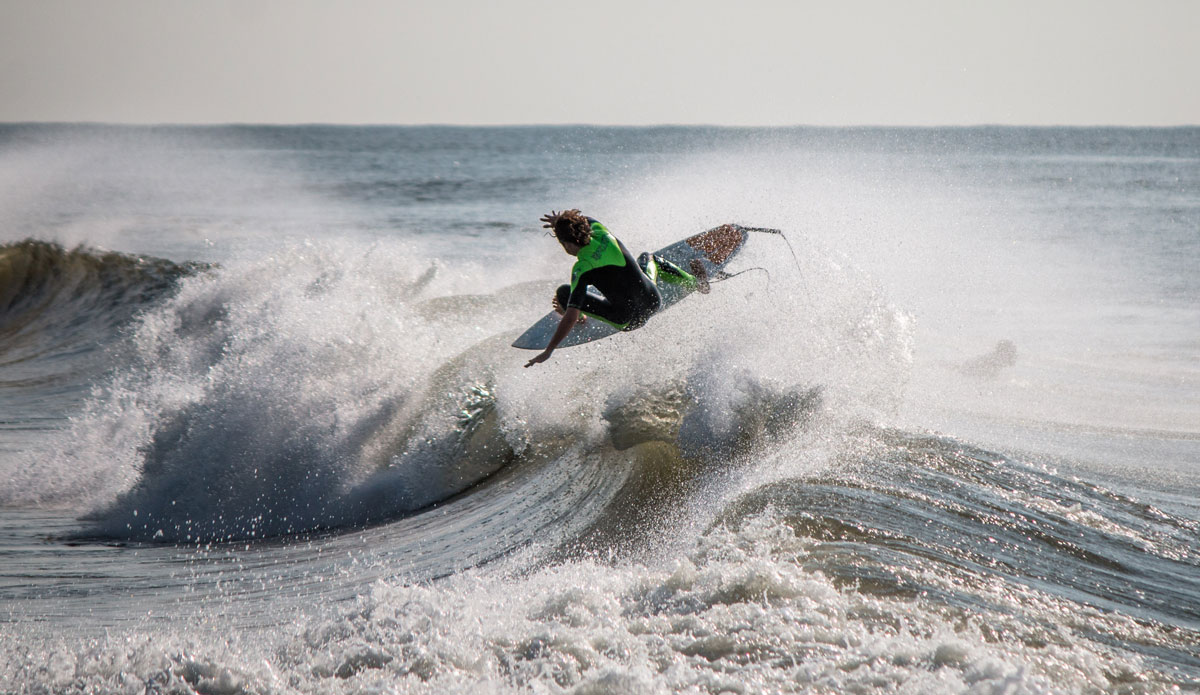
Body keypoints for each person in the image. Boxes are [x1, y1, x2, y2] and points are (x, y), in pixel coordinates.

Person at [524, 209, 708, 368]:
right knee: (648, 257)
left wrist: (549, 350)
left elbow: (569, 316)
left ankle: (583, 316)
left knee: (565, 293)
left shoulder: (582, 268)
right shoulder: (602, 233)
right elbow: (585, 220)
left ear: (568, 244)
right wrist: (561, 222)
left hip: (628, 321)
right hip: (654, 301)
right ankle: (695, 282)